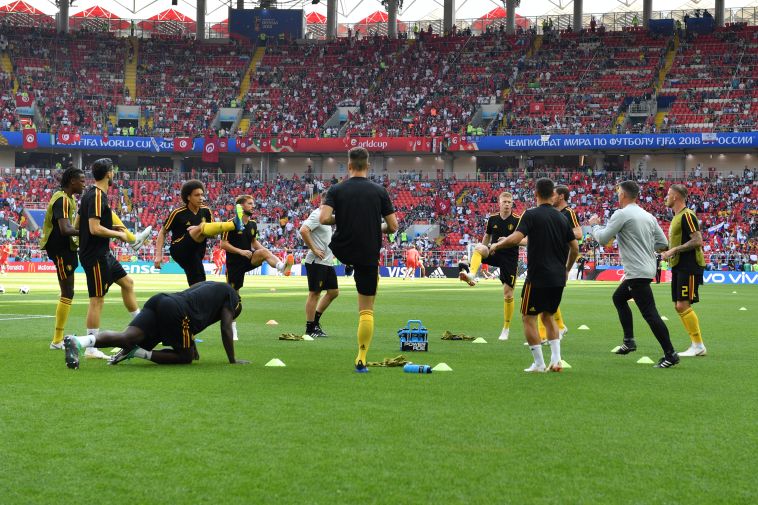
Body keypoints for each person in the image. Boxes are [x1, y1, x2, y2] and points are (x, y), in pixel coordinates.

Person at [320, 147, 398, 372]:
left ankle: (347, 265)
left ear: (349, 165)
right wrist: (373, 224)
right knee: (366, 310)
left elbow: (325, 218)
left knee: (346, 256)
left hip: (342, 249)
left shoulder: (336, 189)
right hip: (368, 253)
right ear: (368, 166)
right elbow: (392, 226)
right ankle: (361, 359)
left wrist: (346, 217)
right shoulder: (379, 191)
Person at [588, 180, 679, 368]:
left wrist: (595, 226)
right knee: (619, 298)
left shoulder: (621, 214)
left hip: (636, 271)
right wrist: (643, 244)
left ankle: (670, 354)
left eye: (618, 192)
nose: (617, 194)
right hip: (645, 269)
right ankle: (629, 341)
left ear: (622, 194)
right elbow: (662, 243)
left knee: (650, 313)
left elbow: (604, 239)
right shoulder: (648, 216)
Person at [490, 179, 578, 372]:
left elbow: (516, 237)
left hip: (538, 277)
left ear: (536, 193)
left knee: (528, 317)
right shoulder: (562, 217)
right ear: (552, 194)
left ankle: (539, 363)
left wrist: (497, 244)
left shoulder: (530, 214)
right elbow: (575, 247)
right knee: (548, 317)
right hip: (558, 277)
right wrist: (567, 269)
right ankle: (556, 360)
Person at [63, 282, 248, 369]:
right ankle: (138, 352)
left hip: (161, 300)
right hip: (177, 312)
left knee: (127, 337)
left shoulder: (212, 285)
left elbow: (192, 304)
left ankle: (79, 341)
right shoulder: (232, 298)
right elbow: (225, 327)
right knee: (186, 357)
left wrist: (191, 342)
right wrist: (232, 359)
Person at [77, 158, 140, 360]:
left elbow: (78, 224)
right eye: (113, 171)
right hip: (95, 256)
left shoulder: (92, 195)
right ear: (109, 173)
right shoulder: (96, 195)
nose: (114, 174)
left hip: (103, 253)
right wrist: (118, 234)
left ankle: (140, 326)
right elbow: (94, 228)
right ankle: (90, 347)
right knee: (97, 299)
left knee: (127, 283)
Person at [220, 194, 293, 340]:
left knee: (264, 252)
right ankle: (232, 328)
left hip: (248, 258)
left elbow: (254, 242)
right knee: (234, 297)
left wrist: (267, 253)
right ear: (240, 207)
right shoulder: (230, 224)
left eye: (253, 203)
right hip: (234, 265)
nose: (253, 206)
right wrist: (241, 251)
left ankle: (281, 267)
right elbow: (223, 244)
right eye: (250, 203)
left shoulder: (253, 224)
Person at [153, 180, 245, 286]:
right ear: (188, 197)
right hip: (180, 249)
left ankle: (194, 300)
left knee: (199, 283)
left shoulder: (206, 211)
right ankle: (234, 224)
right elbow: (162, 232)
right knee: (201, 226)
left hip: (196, 252)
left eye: (202, 195)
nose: (201, 198)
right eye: (197, 195)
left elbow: (213, 234)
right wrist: (158, 255)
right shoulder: (177, 213)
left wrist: (201, 230)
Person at [460, 191, 523, 342]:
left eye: (509, 202)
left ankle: (506, 328)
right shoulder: (492, 219)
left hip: (510, 258)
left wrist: (507, 240)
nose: (507, 204)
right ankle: (472, 274)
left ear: (512, 203)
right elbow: (487, 237)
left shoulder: (518, 220)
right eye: (504, 201)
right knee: (478, 248)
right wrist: (486, 246)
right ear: (499, 203)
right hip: (494, 252)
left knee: (508, 294)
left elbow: (524, 240)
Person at [40, 166, 85, 350]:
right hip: (60, 249)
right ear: (72, 181)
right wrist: (88, 232)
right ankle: (57, 340)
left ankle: (57, 339)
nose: (84, 184)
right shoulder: (62, 200)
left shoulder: (67, 199)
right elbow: (65, 229)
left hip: (66, 249)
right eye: (81, 181)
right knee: (67, 291)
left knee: (68, 291)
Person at [661, 184, 707, 357]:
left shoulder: (687, 215)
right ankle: (696, 345)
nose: (665, 197)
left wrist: (674, 250)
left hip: (689, 265)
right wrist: (666, 249)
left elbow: (697, 241)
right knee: (678, 306)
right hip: (679, 265)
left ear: (675, 197)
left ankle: (698, 345)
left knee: (682, 304)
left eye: (668, 194)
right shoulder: (677, 217)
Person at [536, 184, 582, 341]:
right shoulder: (554, 213)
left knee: (542, 295)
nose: (551, 196)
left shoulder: (568, 212)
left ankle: (544, 336)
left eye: (554, 194)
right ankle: (559, 327)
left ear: (561, 196)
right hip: (551, 257)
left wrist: (559, 234)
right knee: (548, 295)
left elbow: (578, 233)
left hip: (560, 258)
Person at [299, 206, 339, 338]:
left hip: (326, 262)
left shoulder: (325, 216)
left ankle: (315, 322)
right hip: (316, 261)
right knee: (314, 293)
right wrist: (314, 249)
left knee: (333, 292)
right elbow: (304, 230)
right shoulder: (317, 215)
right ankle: (310, 328)